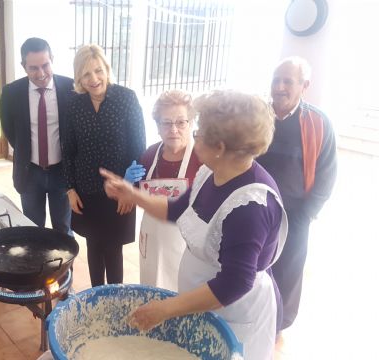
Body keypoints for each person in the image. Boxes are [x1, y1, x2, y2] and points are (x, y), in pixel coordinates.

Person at [102, 90, 288, 359]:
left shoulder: (250, 206)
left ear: (220, 147)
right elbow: (176, 209)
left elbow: (234, 283)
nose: (193, 136)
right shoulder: (210, 172)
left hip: (234, 311)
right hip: (199, 298)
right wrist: (133, 195)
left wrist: (164, 309)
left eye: (198, 131)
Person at [258, 57, 337, 333]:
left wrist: (307, 214)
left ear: (304, 85)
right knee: (254, 265)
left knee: (287, 272)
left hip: (295, 214)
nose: (279, 87)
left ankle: (278, 324)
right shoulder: (258, 115)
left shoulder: (317, 122)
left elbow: (327, 174)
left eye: (287, 81)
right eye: (276, 80)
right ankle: (254, 316)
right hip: (255, 208)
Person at [63, 44, 146, 286]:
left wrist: (130, 190)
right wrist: (70, 189)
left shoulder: (126, 98)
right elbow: (68, 150)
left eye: (98, 70)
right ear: (79, 76)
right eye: (86, 74)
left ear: (107, 69)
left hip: (119, 190)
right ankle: (96, 296)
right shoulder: (74, 104)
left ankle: (115, 301)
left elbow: (139, 149)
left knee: (113, 249)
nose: (94, 79)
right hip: (86, 190)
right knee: (93, 245)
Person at [126, 89, 203, 291]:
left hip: (186, 245)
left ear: (191, 123)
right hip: (152, 241)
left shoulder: (202, 157)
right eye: (166, 123)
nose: (173, 129)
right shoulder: (151, 155)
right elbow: (136, 195)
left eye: (180, 122)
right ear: (158, 127)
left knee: (182, 293)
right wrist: (128, 184)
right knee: (151, 288)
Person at [0, 38, 74, 234]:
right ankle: (36, 265)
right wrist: (26, 152)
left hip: (63, 172)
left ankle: (65, 266)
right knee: (33, 228)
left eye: (45, 65)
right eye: (33, 68)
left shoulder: (71, 88)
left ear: (52, 60)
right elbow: (9, 130)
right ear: (23, 66)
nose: (41, 74)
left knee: (63, 227)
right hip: (29, 172)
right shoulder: (11, 93)